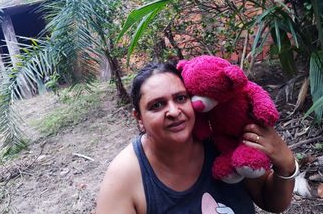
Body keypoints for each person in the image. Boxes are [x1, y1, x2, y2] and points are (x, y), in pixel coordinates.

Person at [96, 62, 296, 214]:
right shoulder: (124, 177)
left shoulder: (219, 138)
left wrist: (285, 163)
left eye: (180, 98)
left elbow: (271, 201)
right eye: (157, 105)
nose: (173, 111)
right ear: (139, 118)